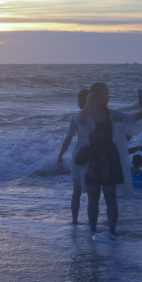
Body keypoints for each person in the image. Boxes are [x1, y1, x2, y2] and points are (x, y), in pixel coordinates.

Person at [75, 83, 142, 240]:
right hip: (92, 160)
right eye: (104, 94)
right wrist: (88, 102)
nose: (107, 97)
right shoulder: (86, 114)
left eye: (107, 94)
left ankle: (111, 233)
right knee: (93, 198)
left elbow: (131, 118)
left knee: (110, 198)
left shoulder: (111, 114)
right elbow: (80, 119)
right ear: (95, 96)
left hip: (110, 159)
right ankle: (92, 232)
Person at [57, 89, 90, 225]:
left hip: (78, 156)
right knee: (92, 194)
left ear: (79, 102)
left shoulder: (76, 118)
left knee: (76, 191)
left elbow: (69, 138)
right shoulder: (95, 117)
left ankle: (74, 221)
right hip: (91, 156)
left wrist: (61, 154)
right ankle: (90, 221)